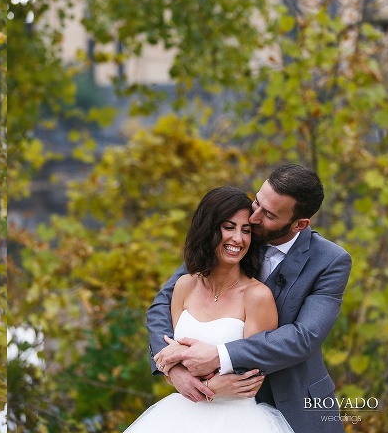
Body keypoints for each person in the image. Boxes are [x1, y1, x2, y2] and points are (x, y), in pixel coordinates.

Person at [151, 164, 352, 433]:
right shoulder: (236, 234)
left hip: (294, 403)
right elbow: (162, 304)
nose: (254, 217)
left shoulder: (329, 261)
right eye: (257, 201)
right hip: (208, 408)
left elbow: (304, 337)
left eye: (267, 214)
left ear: (299, 224)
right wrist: (173, 369)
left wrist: (219, 355)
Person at [122, 186, 295, 432]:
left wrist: (208, 389)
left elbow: (254, 374)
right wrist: (176, 375)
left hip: (238, 420)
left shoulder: (257, 296)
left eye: (246, 230)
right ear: (208, 230)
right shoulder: (184, 285)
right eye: (228, 227)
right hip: (178, 415)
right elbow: (170, 353)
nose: (238, 238)